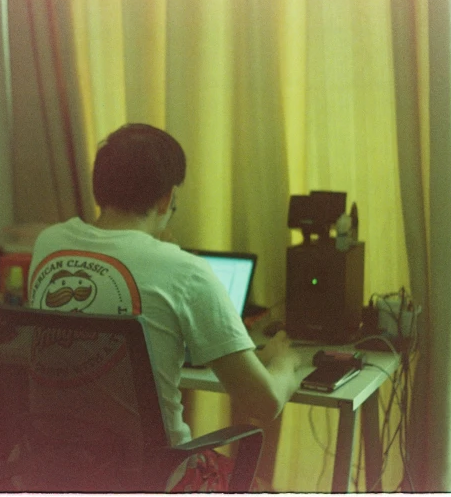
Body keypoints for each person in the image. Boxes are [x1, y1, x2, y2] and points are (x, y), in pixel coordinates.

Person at [26, 123, 303, 491]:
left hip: (58, 473)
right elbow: (263, 404)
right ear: (166, 198)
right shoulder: (183, 271)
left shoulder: (50, 243)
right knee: (264, 487)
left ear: (100, 187)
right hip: (152, 479)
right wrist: (283, 362)